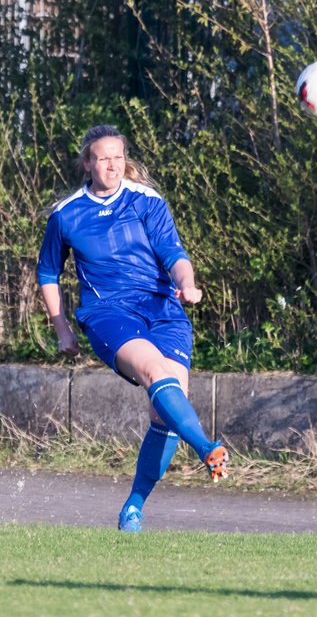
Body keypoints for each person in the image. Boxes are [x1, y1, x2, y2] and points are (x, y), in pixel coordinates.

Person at [37, 125, 227, 533]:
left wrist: (188, 284)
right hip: (108, 313)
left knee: (166, 410)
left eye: (119, 157)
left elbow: (174, 253)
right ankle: (207, 449)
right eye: (103, 158)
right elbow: (48, 273)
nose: (112, 165)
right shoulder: (66, 213)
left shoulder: (146, 200)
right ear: (88, 163)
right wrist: (62, 329)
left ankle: (133, 509)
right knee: (155, 373)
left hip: (162, 309)